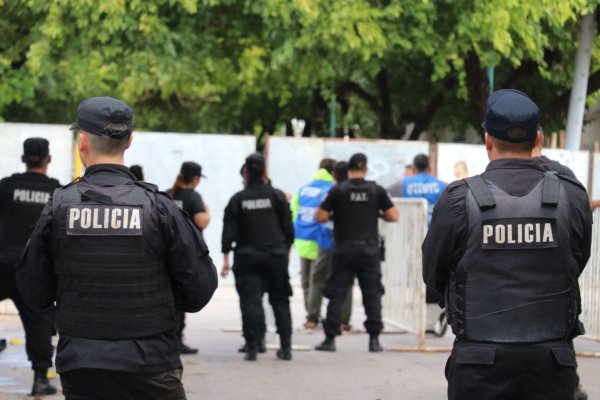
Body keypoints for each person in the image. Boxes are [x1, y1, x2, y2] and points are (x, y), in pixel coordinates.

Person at [17, 96, 218, 400]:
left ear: (81, 141)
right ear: (130, 141)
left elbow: (34, 292)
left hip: (82, 367)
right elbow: (200, 288)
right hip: (151, 364)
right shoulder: (159, 207)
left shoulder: (59, 207)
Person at [422, 89, 592, 400]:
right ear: (537, 137)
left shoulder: (458, 199)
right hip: (552, 360)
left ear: (488, 140)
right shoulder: (572, 196)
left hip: (479, 364)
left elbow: (433, 275)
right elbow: (576, 261)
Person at [315, 153, 398, 352]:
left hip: (343, 249)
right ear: (366, 169)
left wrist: (337, 214)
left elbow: (320, 216)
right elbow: (394, 215)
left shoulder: (338, 190)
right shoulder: (375, 190)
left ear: (349, 169)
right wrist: (376, 213)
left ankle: (330, 339)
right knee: (372, 293)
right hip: (369, 250)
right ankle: (374, 340)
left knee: (338, 293)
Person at [0, 138, 61, 396]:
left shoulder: (6, 186)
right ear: (49, 159)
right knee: (39, 323)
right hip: (34, 269)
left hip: (1, 263)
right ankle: (39, 378)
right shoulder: (56, 192)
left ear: (23, 159)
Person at [221, 153, 294, 361]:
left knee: (250, 301)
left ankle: (252, 348)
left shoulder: (238, 199)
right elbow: (288, 230)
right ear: (265, 172)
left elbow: (228, 232)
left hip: (247, 256)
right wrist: (285, 251)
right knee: (280, 300)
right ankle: (286, 348)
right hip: (275, 255)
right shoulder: (277, 196)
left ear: (246, 172)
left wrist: (226, 258)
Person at [167, 161, 211, 355]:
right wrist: (208, 212)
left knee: (169, 296)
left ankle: (170, 338)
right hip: (187, 254)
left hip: (166, 252)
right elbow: (201, 221)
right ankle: (177, 340)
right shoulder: (193, 197)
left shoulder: (168, 194)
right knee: (182, 297)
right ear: (195, 179)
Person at [306, 161, 353, 331]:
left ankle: (312, 318)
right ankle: (344, 320)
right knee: (346, 282)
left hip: (326, 241)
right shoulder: (351, 192)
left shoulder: (328, 192)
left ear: (333, 175)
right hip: (347, 243)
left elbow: (320, 216)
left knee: (317, 279)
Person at [290, 158, 336, 329]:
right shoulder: (330, 189)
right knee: (319, 280)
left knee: (306, 280)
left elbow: (294, 212)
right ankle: (314, 314)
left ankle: (311, 314)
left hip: (302, 238)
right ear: (332, 172)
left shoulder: (303, 188)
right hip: (321, 239)